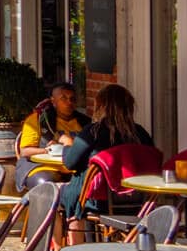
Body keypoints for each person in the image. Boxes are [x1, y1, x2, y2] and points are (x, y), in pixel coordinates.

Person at [56, 82, 153, 241]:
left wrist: (67, 145)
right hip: (136, 200)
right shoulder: (141, 133)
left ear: (101, 106)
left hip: (97, 199)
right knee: (75, 193)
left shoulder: (93, 131)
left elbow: (70, 163)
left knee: (52, 194)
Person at [19, 82, 87, 164]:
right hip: (45, 166)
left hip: (75, 165)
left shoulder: (84, 121)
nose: (69, 102)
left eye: (72, 99)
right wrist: (49, 150)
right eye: (64, 98)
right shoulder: (38, 119)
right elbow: (25, 151)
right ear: (53, 101)